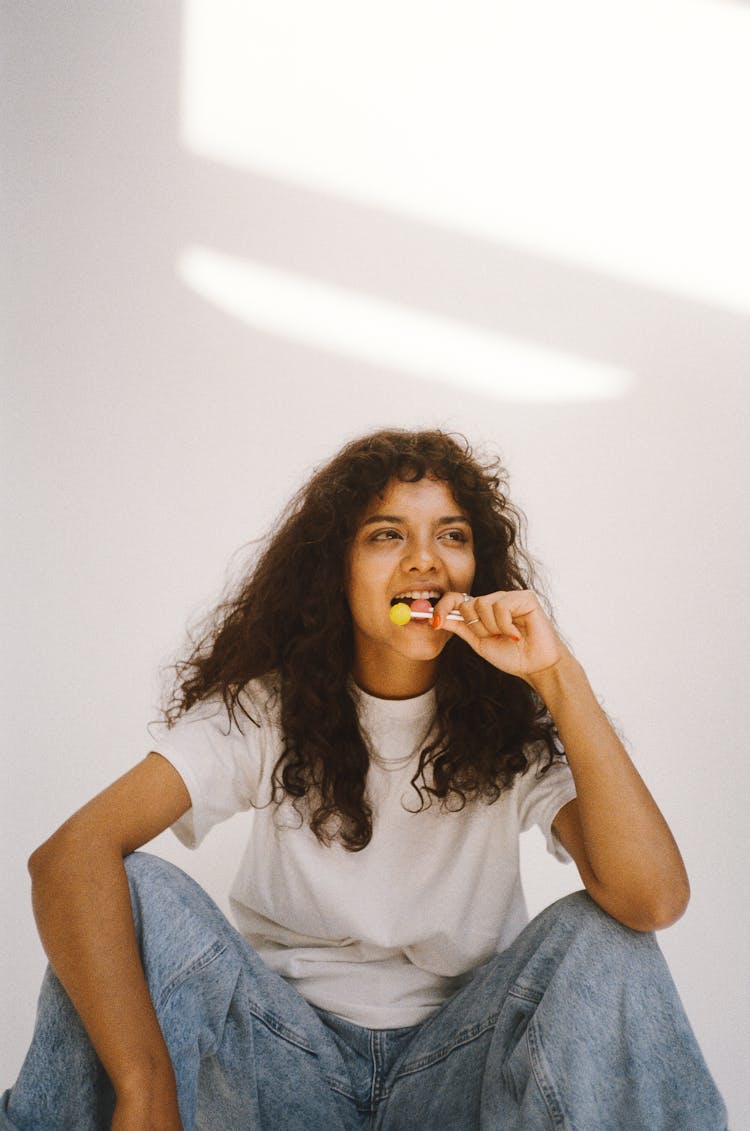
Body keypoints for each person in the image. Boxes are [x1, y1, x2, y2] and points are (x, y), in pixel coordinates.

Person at [2, 429, 726, 1130]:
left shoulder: (512, 725)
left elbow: (652, 898)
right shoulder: (265, 710)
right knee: (129, 893)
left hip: (458, 1071)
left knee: (606, 936)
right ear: (335, 568)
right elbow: (68, 855)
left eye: (452, 535)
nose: (425, 561)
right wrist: (143, 1085)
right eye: (387, 534)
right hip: (281, 1068)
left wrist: (558, 677)